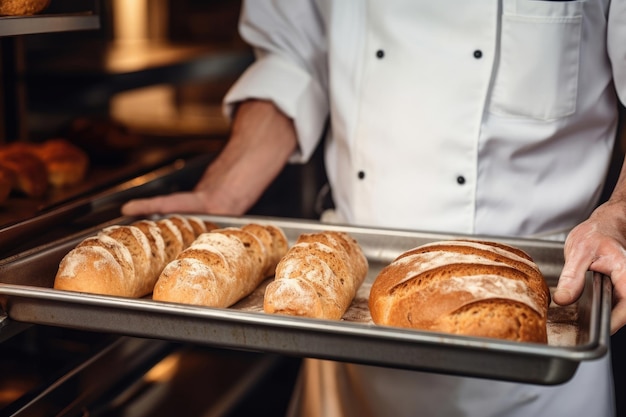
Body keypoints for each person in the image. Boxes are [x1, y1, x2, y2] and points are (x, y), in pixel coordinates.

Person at [122, 1, 626, 416]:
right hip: (347, 340)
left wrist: (619, 216)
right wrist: (223, 196)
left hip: (542, 340)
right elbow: (292, 55)